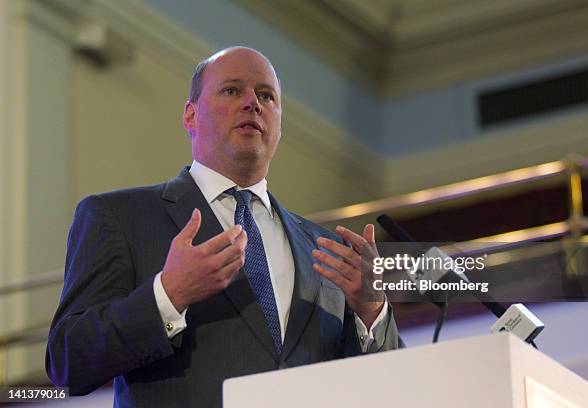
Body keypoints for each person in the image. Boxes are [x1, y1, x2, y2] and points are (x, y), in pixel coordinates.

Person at [46, 46, 403, 407]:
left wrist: (371, 313)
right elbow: (66, 362)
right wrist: (169, 295)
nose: (253, 103)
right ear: (190, 115)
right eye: (232, 90)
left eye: (266, 96)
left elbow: (388, 387)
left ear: (279, 125)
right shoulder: (119, 217)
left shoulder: (325, 249)